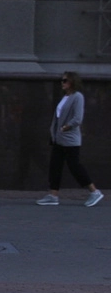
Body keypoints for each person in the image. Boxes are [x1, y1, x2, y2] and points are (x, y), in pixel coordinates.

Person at [37, 71, 102, 207]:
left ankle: (94, 192)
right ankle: (53, 195)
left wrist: (66, 127)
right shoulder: (65, 97)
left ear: (72, 82)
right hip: (58, 139)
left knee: (74, 166)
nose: (62, 83)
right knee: (55, 166)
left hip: (70, 139)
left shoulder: (77, 96)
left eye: (65, 80)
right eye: (62, 80)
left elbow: (78, 118)